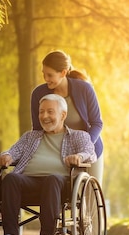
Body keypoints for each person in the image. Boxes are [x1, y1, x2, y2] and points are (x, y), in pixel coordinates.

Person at [0, 94, 97, 235]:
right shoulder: (30, 137)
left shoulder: (78, 136)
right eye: (41, 112)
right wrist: (6, 156)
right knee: (11, 178)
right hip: (28, 183)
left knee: (52, 179)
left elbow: (90, 153)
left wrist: (79, 157)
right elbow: (12, 151)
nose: (44, 116)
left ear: (63, 115)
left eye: (50, 112)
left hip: (60, 185)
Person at [30, 50, 104, 186]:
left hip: (88, 147)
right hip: (55, 151)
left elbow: (97, 123)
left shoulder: (85, 89)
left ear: (63, 73)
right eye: (44, 74)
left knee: (92, 194)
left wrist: (85, 147)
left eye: (50, 75)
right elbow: (37, 129)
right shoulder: (38, 94)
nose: (46, 79)